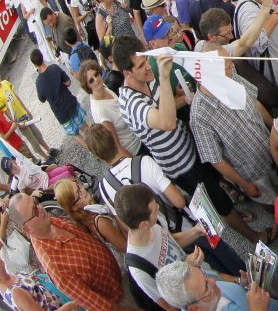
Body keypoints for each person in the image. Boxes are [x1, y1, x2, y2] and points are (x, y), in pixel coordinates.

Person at [113, 36, 268, 245]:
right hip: (181, 165)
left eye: (147, 60)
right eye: (141, 66)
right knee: (217, 200)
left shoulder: (145, 79)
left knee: (216, 181)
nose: (148, 67)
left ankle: (234, 212)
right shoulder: (130, 103)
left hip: (189, 146)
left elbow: (165, 105)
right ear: (127, 73)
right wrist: (165, 77)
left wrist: (183, 98)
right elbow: (166, 121)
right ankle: (253, 237)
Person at [8, 193, 188, 311]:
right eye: (34, 211)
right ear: (27, 229)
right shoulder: (55, 266)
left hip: (120, 271)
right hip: (119, 296)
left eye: (35, 202)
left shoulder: (49, 221)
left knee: (156, 298)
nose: (40, 208)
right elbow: (98, 305)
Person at [115, 183, 242, 311]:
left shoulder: (153, 225)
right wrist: (188, 267)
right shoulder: (139, 270)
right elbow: (172, 308)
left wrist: (195, 231)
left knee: (242, 290)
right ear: (143, 225)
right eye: (154, 210)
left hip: (208, 277)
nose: (158, 207)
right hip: (205, 302)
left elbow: (172, 241)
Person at [189, 44, 278, 207]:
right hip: (253, 172)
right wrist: (245, 185)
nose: (233, 68)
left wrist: (274, 129)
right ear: (211, 73)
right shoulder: (199, 115)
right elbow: (216, 159)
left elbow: (255, 103)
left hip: (271, 150)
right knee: (273, 203)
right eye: (227, 66)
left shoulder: (233, 77)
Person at [31, 49, 88, 151]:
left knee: (75, 134)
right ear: (42, 57)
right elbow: (68, 83)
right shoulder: (54, 68)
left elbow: (42, 99)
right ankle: (98, 146)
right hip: (70, 103)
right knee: (84, 127)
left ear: (34, 64)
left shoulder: (38, 82)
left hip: (60, 114)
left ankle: (93, 151)